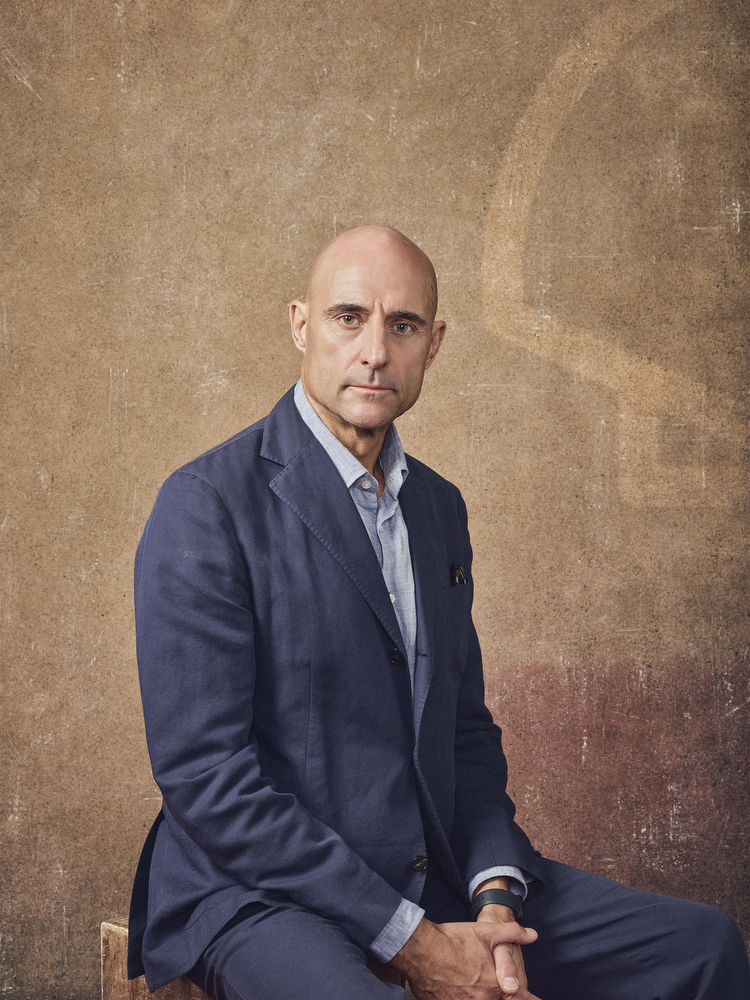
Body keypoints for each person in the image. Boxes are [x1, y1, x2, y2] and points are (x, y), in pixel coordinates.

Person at [127, 225, 749, 1000]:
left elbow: (463, 731)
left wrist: (496, 900)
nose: (375, 352)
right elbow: (208, 780)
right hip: (259, 896)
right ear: (300, 324)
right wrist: (415, 943)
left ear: (435, 344)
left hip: (433, 872)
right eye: (348, 317)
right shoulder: (205, 504)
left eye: (404, 325)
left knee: (702, 946)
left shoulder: (438, 507)